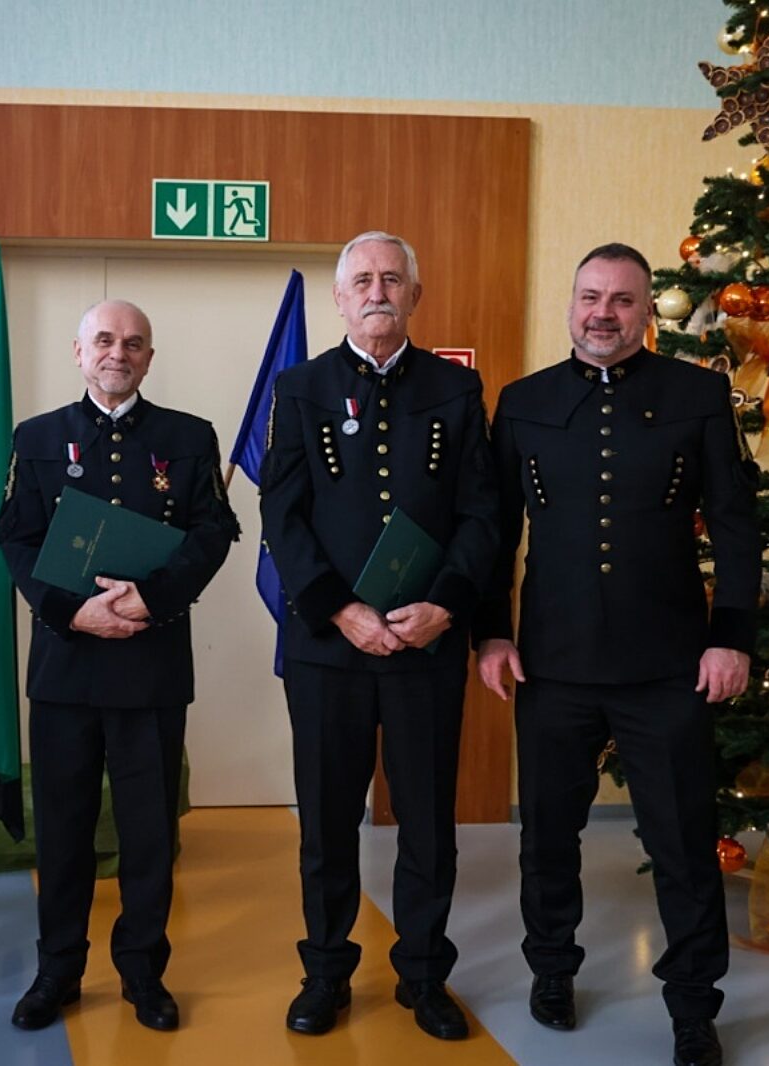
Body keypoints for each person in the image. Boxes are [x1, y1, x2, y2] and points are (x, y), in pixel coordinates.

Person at [474, 243, 758, 1066]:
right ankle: (551, 970)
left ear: (647, 310)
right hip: (551, 663)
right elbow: (496, 532)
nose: (604, 313)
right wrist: (491, 631)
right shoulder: (523, 401)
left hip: (668, 663)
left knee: (683, 843)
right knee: (546, 839)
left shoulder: (698, 395)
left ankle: (693, 1007)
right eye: (590, 296)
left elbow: (735, 526)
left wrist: (731, 637)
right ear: (571, 305)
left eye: (623, 299)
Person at [259, 231, 499, 1041]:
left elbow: (482, 513)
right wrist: (339, 609)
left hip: (426, 644)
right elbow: (281, 513)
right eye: (361, 279)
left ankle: (423, 976)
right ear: (339, 298)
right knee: (327, 823)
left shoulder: (455, 389)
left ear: (414, 296)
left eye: (392, 279)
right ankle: (325, 973)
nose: (377, 291)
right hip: (329, 648)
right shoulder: (300, 387)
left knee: (426, 821)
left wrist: (446, 607)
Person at [0, 299, 237, 1033]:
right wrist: (72, 612)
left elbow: (214, 531)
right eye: (104, 340)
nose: (117, 353)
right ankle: (57, 971)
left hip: (150, 665)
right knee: (63, 832)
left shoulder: (188, 437)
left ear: (149, 358)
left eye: (133, 343)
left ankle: (143, 973)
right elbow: (15, 539)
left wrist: (150, 598)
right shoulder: (37, 438)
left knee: (149, 835)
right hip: (65, 667)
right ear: (79, 352)